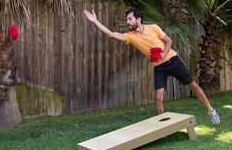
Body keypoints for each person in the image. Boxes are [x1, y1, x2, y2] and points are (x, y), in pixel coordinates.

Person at [83, 8, 220, 124]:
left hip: (173, 60)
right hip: (159, 67)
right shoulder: (131, 36)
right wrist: (95, 21)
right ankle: (161, 125)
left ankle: (211, 110)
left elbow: (168, 41)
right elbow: (112, 35)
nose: (127, 22)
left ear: (138, 19)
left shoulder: (153, 28)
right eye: (127, 20)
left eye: (130, 19)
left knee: (193, 85)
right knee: (159, 96)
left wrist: (163, 53)